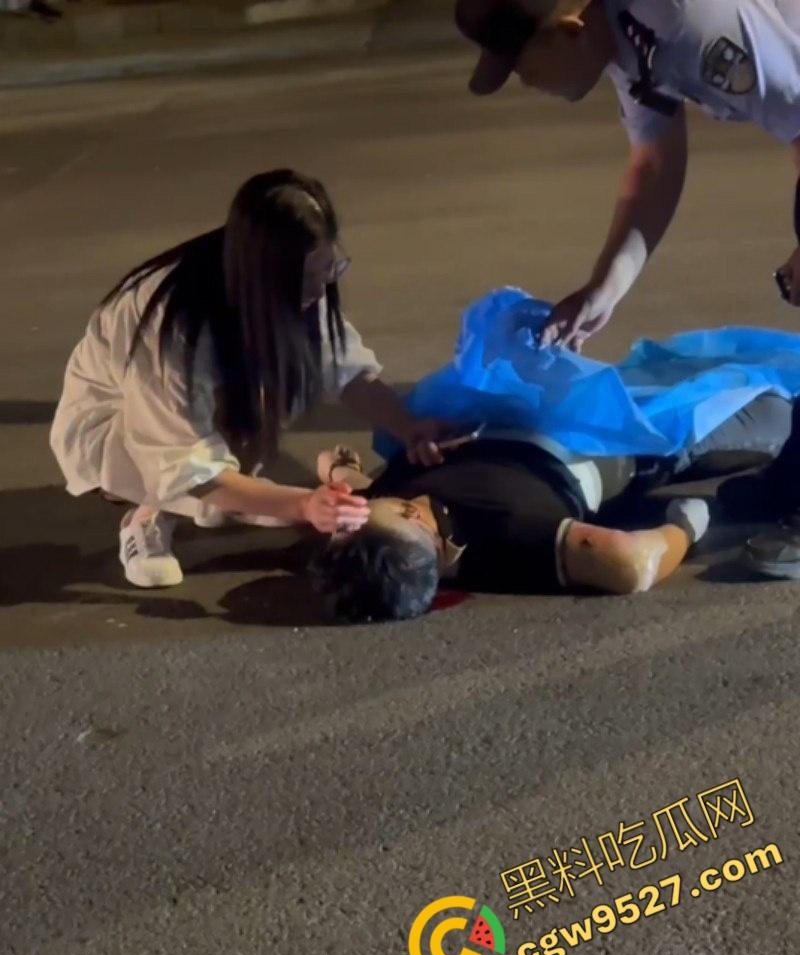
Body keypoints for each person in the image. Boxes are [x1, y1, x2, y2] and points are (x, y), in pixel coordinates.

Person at [454, 0, 800, 571]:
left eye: (524, 64)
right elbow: (654, 163)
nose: (525, 81)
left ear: (568, 29)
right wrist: (605, 286)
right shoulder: (625, 38)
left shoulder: (684, 22)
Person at [50, 169, 445, 589]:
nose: (318, 292)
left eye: (328, 271)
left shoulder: (286, 279)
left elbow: (344, 369)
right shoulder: (171, 323)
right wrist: (303, 505)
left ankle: (221, 496)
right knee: (198, 471)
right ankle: (149, 514)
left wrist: (407, 426)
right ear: (264, 275)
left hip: (188, 419)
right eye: (305, 281)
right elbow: (181, 457)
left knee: (270, 396)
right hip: (117, 425)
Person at [310, 392, 796, 622]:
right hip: (632, 437)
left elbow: (342, 476)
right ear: (410, 517)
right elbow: (628, 563)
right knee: (773, 409)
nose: (348, 515)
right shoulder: (503, 540)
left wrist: (337, 473)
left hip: (544, 402)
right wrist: (685, 528)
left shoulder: (381, 542)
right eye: (352, 522)